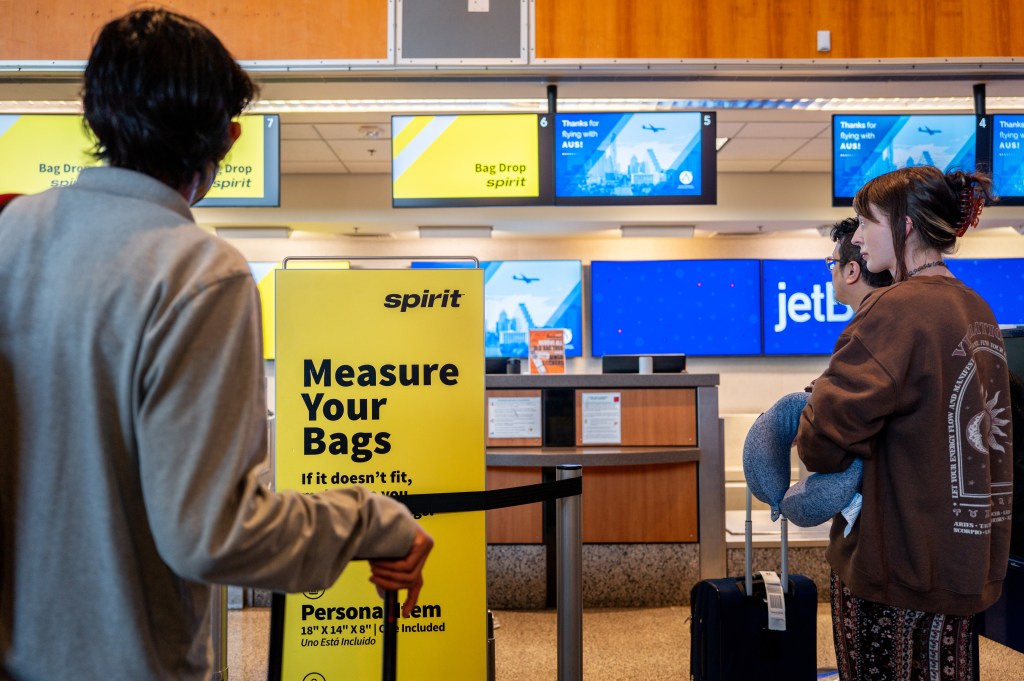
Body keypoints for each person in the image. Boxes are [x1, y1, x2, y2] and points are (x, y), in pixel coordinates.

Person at [0, 9, 431, 680]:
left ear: (91, 122)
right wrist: (373, 520)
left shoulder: (10, 233)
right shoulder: (203, 273)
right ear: (227, 141)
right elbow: (212, 533)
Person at [796, 166, 1013, 680]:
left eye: (866, 221)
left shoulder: (895, 311)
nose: (859, 236)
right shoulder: (976, 307)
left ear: (906, 226)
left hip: (895, 564)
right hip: (963, 560)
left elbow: (821, 440)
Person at [827, 216, 894, 311]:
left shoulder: (868, 324)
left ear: (852, 271)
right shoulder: (898, 315)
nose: (832, 271)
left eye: (834, 262)